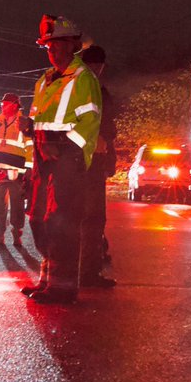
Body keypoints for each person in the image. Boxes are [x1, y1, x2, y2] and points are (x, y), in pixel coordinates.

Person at [22, 15, 103, 305]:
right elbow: (38, 117)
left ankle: (63, 287)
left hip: (67, 159)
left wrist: (67, 150)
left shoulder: (83, 79)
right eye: (48, 45)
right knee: (39, 218)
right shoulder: (44, 80)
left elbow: (90, 122)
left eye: (57, 44)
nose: (52, 50)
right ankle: (47, 279)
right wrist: (28, 126)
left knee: (61, 221)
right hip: (44, 158)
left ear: (72, 45)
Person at [78, 45, 116, 288]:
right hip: (91, 160)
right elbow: (106, 127)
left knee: (78, 217)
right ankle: (88, 273)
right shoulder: (95, 90)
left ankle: (74, 270)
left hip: (75, 161)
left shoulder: (71, 87)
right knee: (92, 218)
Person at [0, 92, 33, 247]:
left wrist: (29, 169)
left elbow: (30, 147)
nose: (2, 107)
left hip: (17, 173)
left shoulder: (23, 123)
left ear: (15, 106)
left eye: (6, 104)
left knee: (17, 206)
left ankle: (17, 235)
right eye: (2, 104)